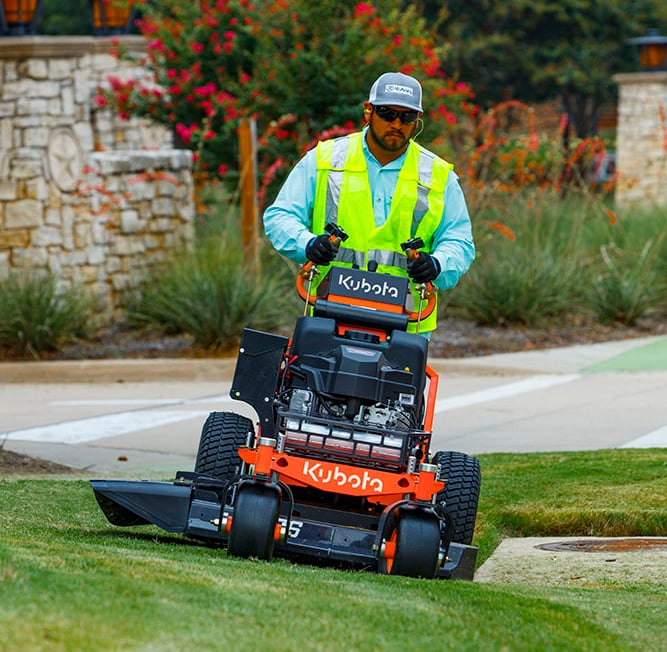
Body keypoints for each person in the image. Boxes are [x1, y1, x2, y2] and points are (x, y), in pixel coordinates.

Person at [263, 71, 475, 336]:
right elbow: (280, 216)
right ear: (368, 111)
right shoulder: (325, 159)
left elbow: (460, 240)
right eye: (387, 113)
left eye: (406, 117)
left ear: (417, 120)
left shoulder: (438, 175)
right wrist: (306, 243)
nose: (396, 123)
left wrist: (438, 264)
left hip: (407, 321)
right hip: (330, 310)